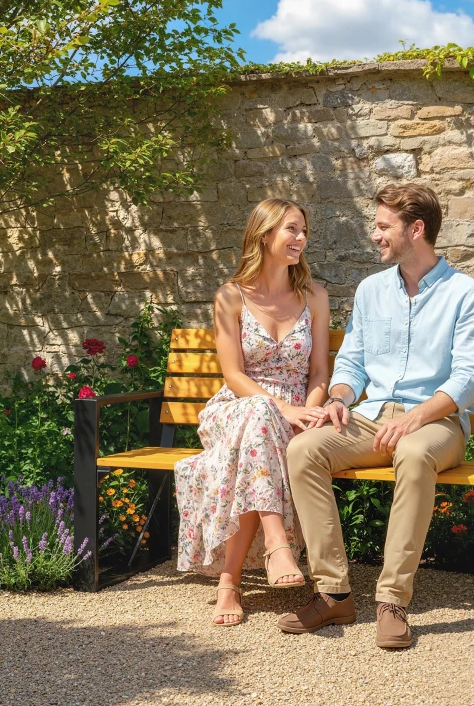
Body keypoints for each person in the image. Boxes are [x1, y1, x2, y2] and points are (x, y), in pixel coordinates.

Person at [279, 183, 474, 648]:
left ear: (416, 229)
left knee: (413, 453)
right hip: (372, 417)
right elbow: (351, 364)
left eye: (382, 226)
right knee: (304, 450)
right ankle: (333, 593)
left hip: (437, 423)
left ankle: (392, 601)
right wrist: (338, 398)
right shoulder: (371, 290)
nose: (374, 235)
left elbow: (466, 379)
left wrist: (415, 418)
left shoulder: (466, 293)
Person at [175, 198, 331, 626]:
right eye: (292, 229)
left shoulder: (314, 296)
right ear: (264, 235)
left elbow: (319, 372)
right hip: (237, 407)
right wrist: (282, 409)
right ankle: (277, 543)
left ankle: (229, 582)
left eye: (303, 231)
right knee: (259, 416)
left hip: (293, 412)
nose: (301, 238)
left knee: (252, 450)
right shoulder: (231, 297)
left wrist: (307, 413)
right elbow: (233, 374)